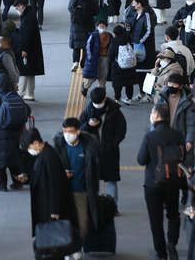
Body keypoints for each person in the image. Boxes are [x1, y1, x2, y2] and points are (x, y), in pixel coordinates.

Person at [18, 128, 78, 260]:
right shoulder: (43, 154)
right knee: (48, 241)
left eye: (29, 147)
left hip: (50, 208)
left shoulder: (50, 157)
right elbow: (41, 176)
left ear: (36, 143)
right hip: (45, 205)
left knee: (53, 242)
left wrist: (54, 210)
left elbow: (55, 185)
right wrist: (27, 177)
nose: (29, 150)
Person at [137, 104, 186, 260]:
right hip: (172, 181)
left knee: (155, 220)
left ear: (157, 116)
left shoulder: (150, 137)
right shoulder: (177, 135)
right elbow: (182, 156)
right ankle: (172, 242)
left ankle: (161, 253)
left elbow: (141, 160)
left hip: (153, 183)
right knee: (173, 214)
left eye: (152, 112)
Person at [52, 117, 101, 256]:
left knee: (83, 223)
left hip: (82, 191)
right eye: (65, 131)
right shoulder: (59, 146)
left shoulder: (88, 146)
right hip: (64, 191)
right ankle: (68, 249)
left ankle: (77, 246)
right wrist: (62, 174)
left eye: (70, 131)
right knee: (65, 223)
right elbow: (53, 168)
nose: (67, 134)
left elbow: (95, 168)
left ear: (78, 132)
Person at [79, 87, 127, 206]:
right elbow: (80, 129)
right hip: (93, 151)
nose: (97, 105)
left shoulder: (114, 111)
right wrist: (88, 125)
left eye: (99, 103)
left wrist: (113, 143)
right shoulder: (88, 110)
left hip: (109, 151)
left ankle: (112, 206)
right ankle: (95, 206)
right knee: (94, 180)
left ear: (105, 99)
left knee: (112, 180)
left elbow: (122, 128)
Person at [156, 72, 195, 172]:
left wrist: (190, 140)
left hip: (180, 138)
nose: (171, 86)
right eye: (170, 83)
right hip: (164, 137)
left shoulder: (187, 102)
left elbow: (191, 123)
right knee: (165, 167)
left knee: (183, 168)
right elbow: (155, 118)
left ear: (180, 86)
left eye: (174, 84)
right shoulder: (162, 98)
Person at [124, 0, 156, 102]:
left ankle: (149, 94)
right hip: (136, 45)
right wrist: (128, 29)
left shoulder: (146, 14)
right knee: (139, 71)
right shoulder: (135, 14)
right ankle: (142, 93)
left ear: (139, 4)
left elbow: (149, 30)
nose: (132, 5)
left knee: (148, 71)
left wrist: (141, 41)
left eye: (134, 3)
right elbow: (133, 29)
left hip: (145, 47)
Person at [14, 0, 44, 101]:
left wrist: (24, 49)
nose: (17, 11)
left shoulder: (28, 17)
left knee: (24, 71)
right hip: (33, 49)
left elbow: (27, 35)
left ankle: (20, 93)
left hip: (28, 49)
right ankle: (30, 93)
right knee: (31, 72)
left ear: (21, 7)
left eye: (17, 8)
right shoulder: (30, 15)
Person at [68, 0, 100, 72]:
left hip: (75, 24)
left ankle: (75, 62)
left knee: (76, 45)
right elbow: (96, 11)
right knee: (87, 46)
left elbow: (69, 7)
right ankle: (83, 66)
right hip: (88, 24)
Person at [81, 20, 112, 95]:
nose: (102, 28)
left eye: (104, 26)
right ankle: (85, 86)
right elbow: (88, 47)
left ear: (106, 27)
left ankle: (101, 93)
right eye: (100, 26)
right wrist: (90, 57)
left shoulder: (109, 36)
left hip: (105, 58)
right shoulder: (94, 35)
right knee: (92, 77)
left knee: (103, 76)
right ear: (97, 27)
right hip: (95, 58)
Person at [108, 24, 137, 103]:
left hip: (118, 65)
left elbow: (110, 55)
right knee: (129, 83)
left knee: (117, 83)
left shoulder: (114, 42)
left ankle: (117, 98)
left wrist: (111, 63)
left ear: (114, 34)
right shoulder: (129, 40)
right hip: (130, 65)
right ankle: (129, 98)